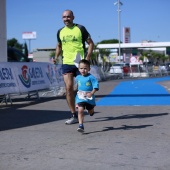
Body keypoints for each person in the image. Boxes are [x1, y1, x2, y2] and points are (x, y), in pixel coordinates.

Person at [53, 9, 94, 124]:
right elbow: (59, 45)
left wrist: (87, 58)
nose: (66, 19)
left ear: (73, 17)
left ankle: (89, 106)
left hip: (79, 62)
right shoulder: (60, 31)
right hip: (66, 63)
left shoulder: (80, 28)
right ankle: (73, 115)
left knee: (85, 88)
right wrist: (56, 57)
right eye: (64, 17)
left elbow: (91, 43)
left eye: (68, 17)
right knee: (69, 89)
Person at [76, 59, 99, 132]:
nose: (83, 70)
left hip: (89, 97)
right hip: (80, 97)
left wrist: (91, 93)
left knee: (90, 111)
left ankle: (91, 111)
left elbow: (96, 86)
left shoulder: (91, 77)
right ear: (79, 69)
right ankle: (81, 125)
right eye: (81, 68)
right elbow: (76, 86)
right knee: (80, 110)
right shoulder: (78, 77)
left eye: (85, 68)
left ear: (89, 69)